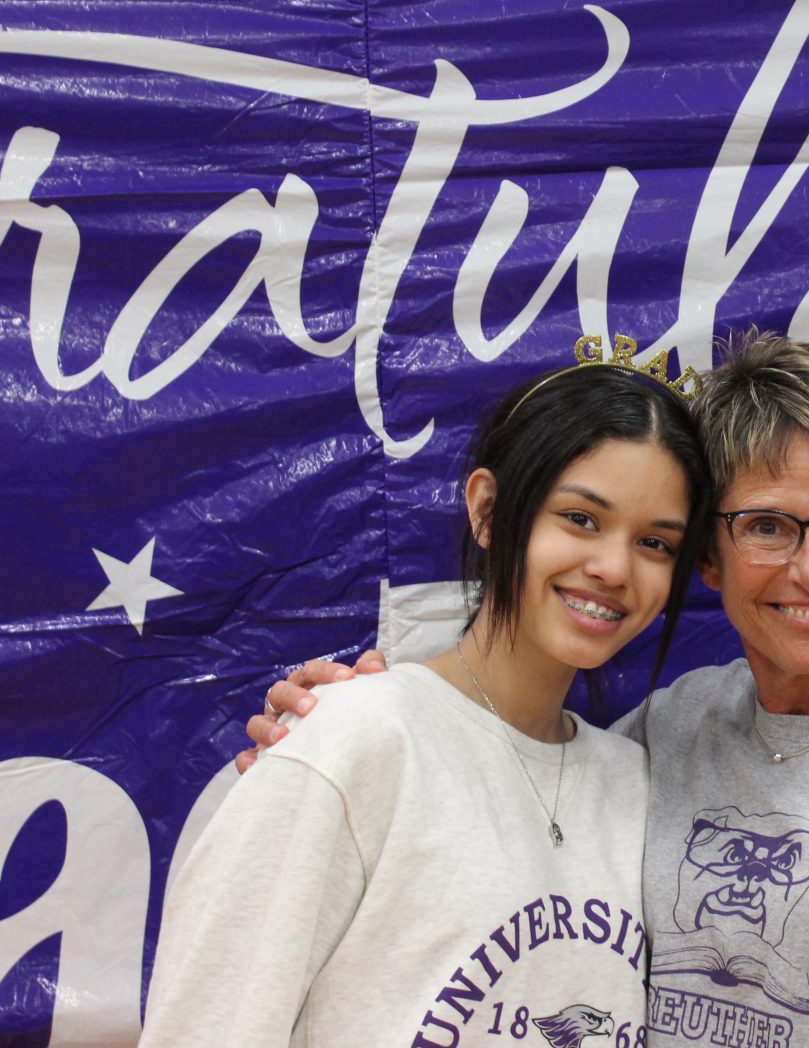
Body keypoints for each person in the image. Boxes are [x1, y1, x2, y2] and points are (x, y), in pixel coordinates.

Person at [246, 333, 809, 1048]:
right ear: (707, 559)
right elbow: (496, 784)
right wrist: (345, 733)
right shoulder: (658, 735)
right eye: (768, 527)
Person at [144, 358, 711, 1048]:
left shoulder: (640, 785)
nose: (615, 568)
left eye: (655, 543)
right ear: (488, 510)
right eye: (580, 518)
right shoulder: (352, 737)